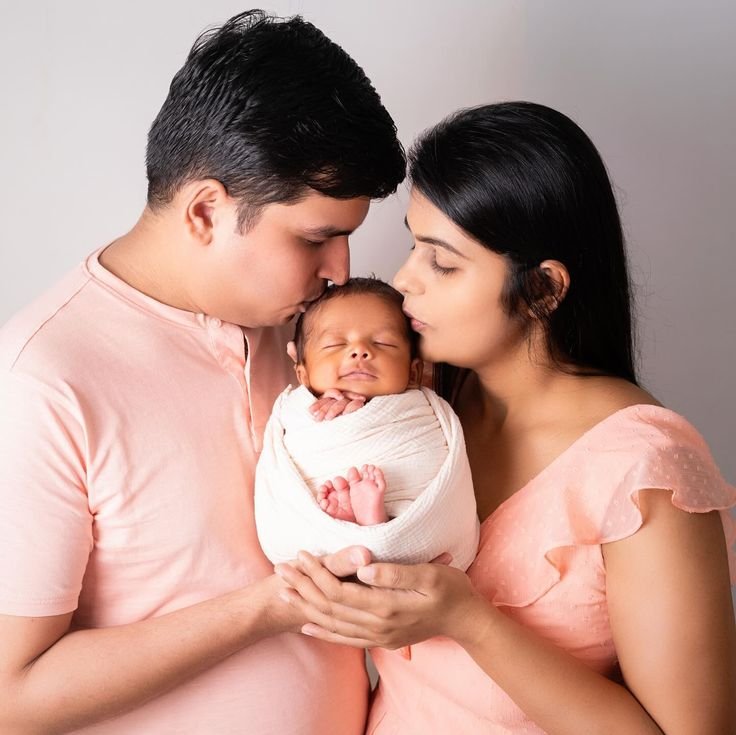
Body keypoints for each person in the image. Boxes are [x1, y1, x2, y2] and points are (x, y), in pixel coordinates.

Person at [0, 10, 405, 734]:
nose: (341, 269)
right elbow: (12, 694)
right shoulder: (43, 377)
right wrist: (270, 607)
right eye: (318, 237)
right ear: (206, 211)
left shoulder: (320, 333)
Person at [274, 102, 736, 734]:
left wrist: (470, 621)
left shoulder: (643, 468)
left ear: (543, 289)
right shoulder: (423, 407)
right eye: (414, 245)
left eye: (442, 261)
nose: (404, 280)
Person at [254, 277, 479, 572]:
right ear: (303, 375)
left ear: (414, 372)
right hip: (316, 548)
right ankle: (364, 524)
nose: (359, 351)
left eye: (383, 343)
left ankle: (376, 525)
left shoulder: (424, 411)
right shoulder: (295, 413)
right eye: (336, 344)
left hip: (424, 538)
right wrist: (318, 416)